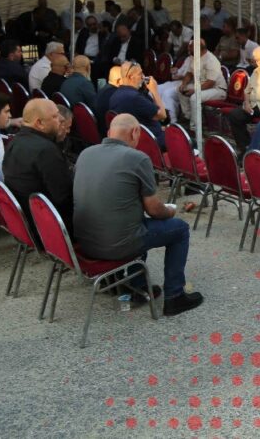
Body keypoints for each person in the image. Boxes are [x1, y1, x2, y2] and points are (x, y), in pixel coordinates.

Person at [73, 114, 204, 316]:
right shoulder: (137, 158)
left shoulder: (85, 153)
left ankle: (138, 286)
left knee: (134, 223)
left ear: (109, 132)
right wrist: (170, 210)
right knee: (179, 229)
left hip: (86, 243)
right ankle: (175, 296)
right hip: (117, 244)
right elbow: (154, 210)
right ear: (135, 132)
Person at [3, 99, 74, 233]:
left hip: (26, 222)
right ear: (39, 123)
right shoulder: (46, 151)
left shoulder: (15, 142)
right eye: (54, 116)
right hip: (50, 227)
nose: (60, 120)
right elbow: (64, 198)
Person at [158, 39, 225, 132]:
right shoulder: (195, 57)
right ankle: (188, 117)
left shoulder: (211, 60)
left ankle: (194, 127)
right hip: (202, 86)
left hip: (217, 89)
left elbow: (210, 82)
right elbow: (189, 73)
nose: (189, 50)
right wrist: (184, 84)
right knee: (180, 90)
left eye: (192, 48)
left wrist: (195, 90)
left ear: (199, 48)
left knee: (195, 97)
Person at [109, 61, 167, 149]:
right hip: (149, 141)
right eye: (140, 74)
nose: (143, 77)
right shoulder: (135, 98)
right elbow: (162, 115)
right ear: (130, 77)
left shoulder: (115, 95)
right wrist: (154, 90)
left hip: (130, 137)